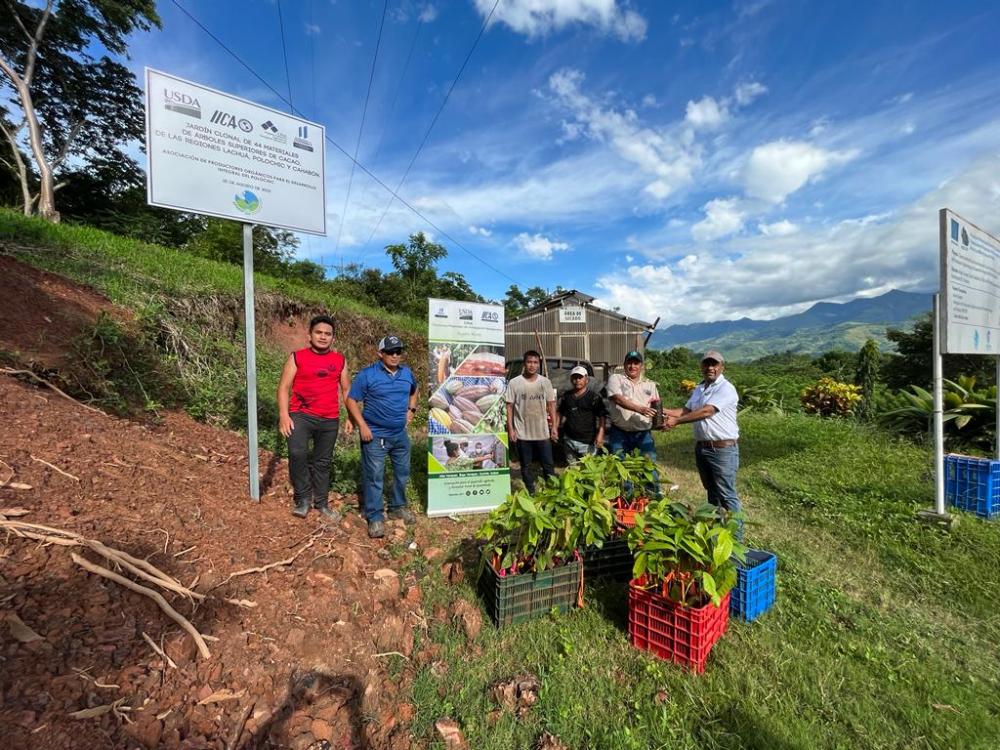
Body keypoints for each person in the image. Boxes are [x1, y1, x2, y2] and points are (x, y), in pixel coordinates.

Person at [277, 314, 354, 520]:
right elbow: (284, 387)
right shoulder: (297, 357)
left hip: (329, 419)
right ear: (310, 335)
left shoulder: (340, 361)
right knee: (297, 452)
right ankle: (302, 499)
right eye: (318, 332)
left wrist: (351, 416)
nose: (323, 337)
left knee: (323, 462)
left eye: (327, 334)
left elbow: (347, 390)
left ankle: (321, 503)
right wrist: (284, 415)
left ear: (333, 338)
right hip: (301, 415)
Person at [664, 350, 743, 538]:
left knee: (726, 494)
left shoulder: (726, 388)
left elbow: (707, 411)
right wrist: (663, 411)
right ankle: (715, 533)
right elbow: (686, 410)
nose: (710, 368)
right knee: (712, 493)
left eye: (714, 364)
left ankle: (736, 539)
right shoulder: (700, 388)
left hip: (722, 449)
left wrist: (676, 422)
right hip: (703, 448)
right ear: (701, 367)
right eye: (707, 364)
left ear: (722, 367)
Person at [346, 335, 418, 539]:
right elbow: (351, 401)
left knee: (402, 473)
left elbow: (415, 390)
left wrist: (411, 410)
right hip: (375, 436)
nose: (395, 356)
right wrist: (362, 426)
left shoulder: (407, 373)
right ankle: (375, 516)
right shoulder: (368, 375)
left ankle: (397, 506)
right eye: (390, 352)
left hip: (399, 435)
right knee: (374, 476)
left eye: (398, 352)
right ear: (380, 354)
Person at [505, 350, 557, 493]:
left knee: (548, 465)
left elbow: (552, 405)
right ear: (524, 363)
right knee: (526, 466)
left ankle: (552, 492)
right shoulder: (514, 383)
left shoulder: (545, 382)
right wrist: (511, 429)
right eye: (529, 362)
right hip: (523, 432)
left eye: (535, 362)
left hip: (542, 432)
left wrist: (554, 427)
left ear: (539, 364)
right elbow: (509, 406)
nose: (532, 365)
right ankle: (531, 492)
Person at [606, 350, 660, 463]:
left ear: (641, 366)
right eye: (629, 363)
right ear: (624, 364)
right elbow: (617, 398)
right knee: (621, 469)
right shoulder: (616, 378)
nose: (632, 366)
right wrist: (640, 409)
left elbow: (656, 407)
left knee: (649, 467)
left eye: (636, 363)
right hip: (620, 432)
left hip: (643, 433)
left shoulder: (650, 384)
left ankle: (650, 481)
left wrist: (662, 421)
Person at [557, 365, 606, 461]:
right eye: (575, 377)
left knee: (589, 470)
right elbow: (560, 412)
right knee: (573, 469)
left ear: (586, 379)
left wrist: (601, 434)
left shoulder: (594, 397)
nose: (577, 380)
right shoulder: (566, 396)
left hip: (588, 441)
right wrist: (555, 428)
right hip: (569, 439)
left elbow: (602, 416)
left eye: (580, 377)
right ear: (571, 379)